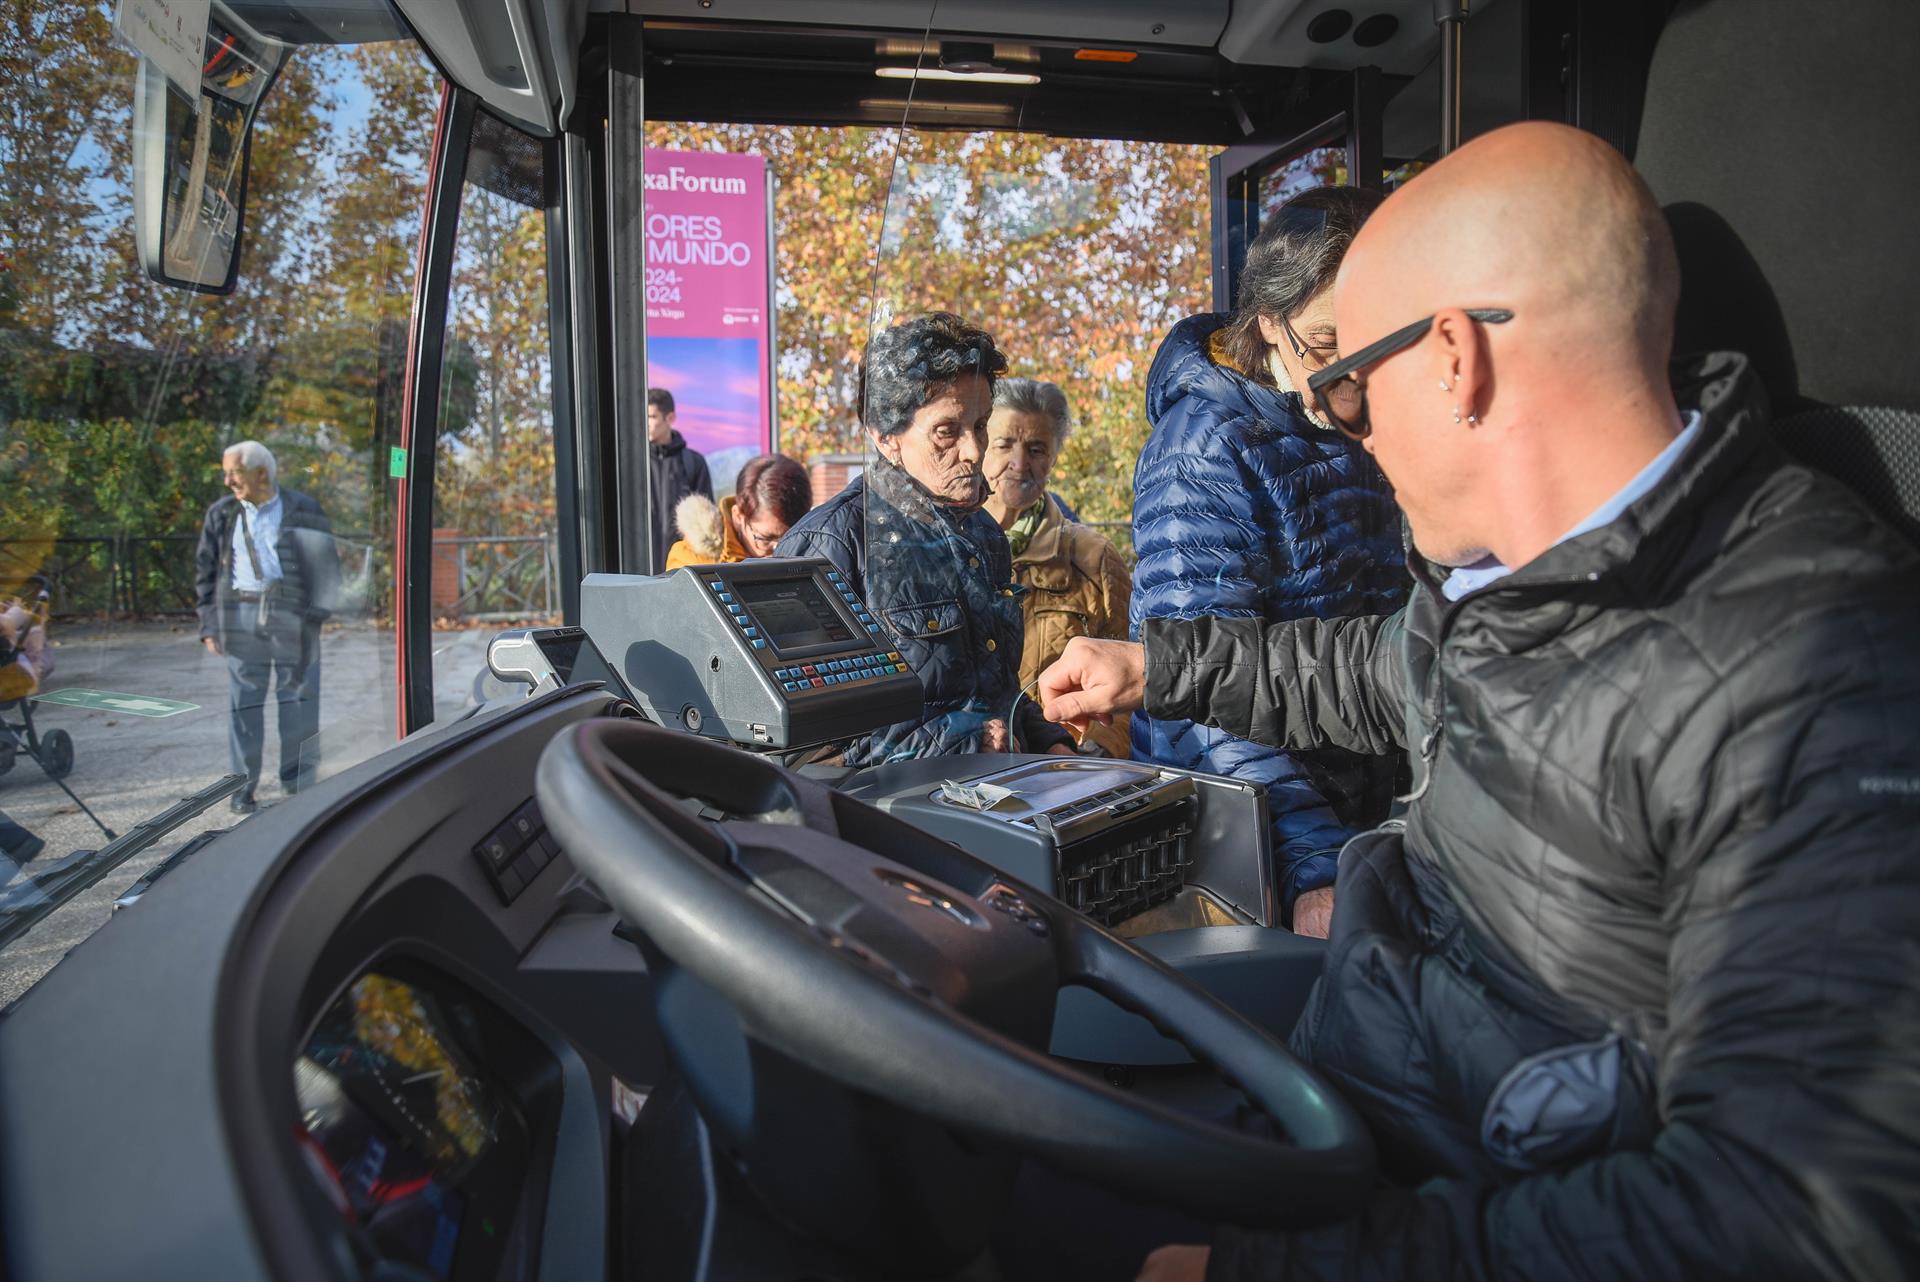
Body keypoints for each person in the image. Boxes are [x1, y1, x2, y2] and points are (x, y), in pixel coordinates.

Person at [1035, 122, 1920, 1282]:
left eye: (1351, 386)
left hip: (1446, 1191)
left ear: (1456, 358)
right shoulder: (1522, 573)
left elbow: (1793, 1214)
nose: (1343, 428)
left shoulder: (1816, 671)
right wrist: (1156, 665)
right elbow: (1367, 669)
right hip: (1357, 1074)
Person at [1131, 186, 1408, 938]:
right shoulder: (1202, 449)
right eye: (1326, 343)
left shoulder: (1356, 420)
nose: (1353, 376)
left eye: (1373, 344)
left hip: (1370, 817)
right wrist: (1312, 867)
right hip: (1257, 841)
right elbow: (1203, 687)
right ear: (1266, 323)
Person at [776, 312, 1073, 764]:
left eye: (980, 424)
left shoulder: (983, 534)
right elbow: (806, 747)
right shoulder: (830, 545)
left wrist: (1047, 738)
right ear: (884, 437)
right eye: (946, 431)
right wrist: (965, 741)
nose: (974, 450)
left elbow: (996, 690)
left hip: (993, 785)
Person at [981, 377, 1132, 758]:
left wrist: (1093, 759)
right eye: (1004, 445)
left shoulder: (1094, 559)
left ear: (1054, 457)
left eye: (1036, 449)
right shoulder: (945, 551)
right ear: (980, 444)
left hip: (1066, 768)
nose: (1019, 464)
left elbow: (1130, 684)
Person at [195, 440, 341, 814]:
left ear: (261, 473)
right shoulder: (222, 514)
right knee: (243, 705)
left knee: (299, 701)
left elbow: (327, 565)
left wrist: (314, 617)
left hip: (293, 615)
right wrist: (209, 625)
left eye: (235, 472)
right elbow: (205, 571)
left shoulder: (303, 508)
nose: (228, 481)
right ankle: (241, 788)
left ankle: (299, 783)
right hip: (240, 615)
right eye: (226, 473)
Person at [665, 453, 812, 570]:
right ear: (738, 517)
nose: (779, 550)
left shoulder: (815, 550)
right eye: (766, 539)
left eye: (791, 538)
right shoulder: (691, 562)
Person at [646, 388, 714, 573]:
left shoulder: (694, 463)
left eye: (652, 416)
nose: (646, 423)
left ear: (670, 418)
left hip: (680, 571)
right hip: (638, 572)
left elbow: (705, 525)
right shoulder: (633, 464)